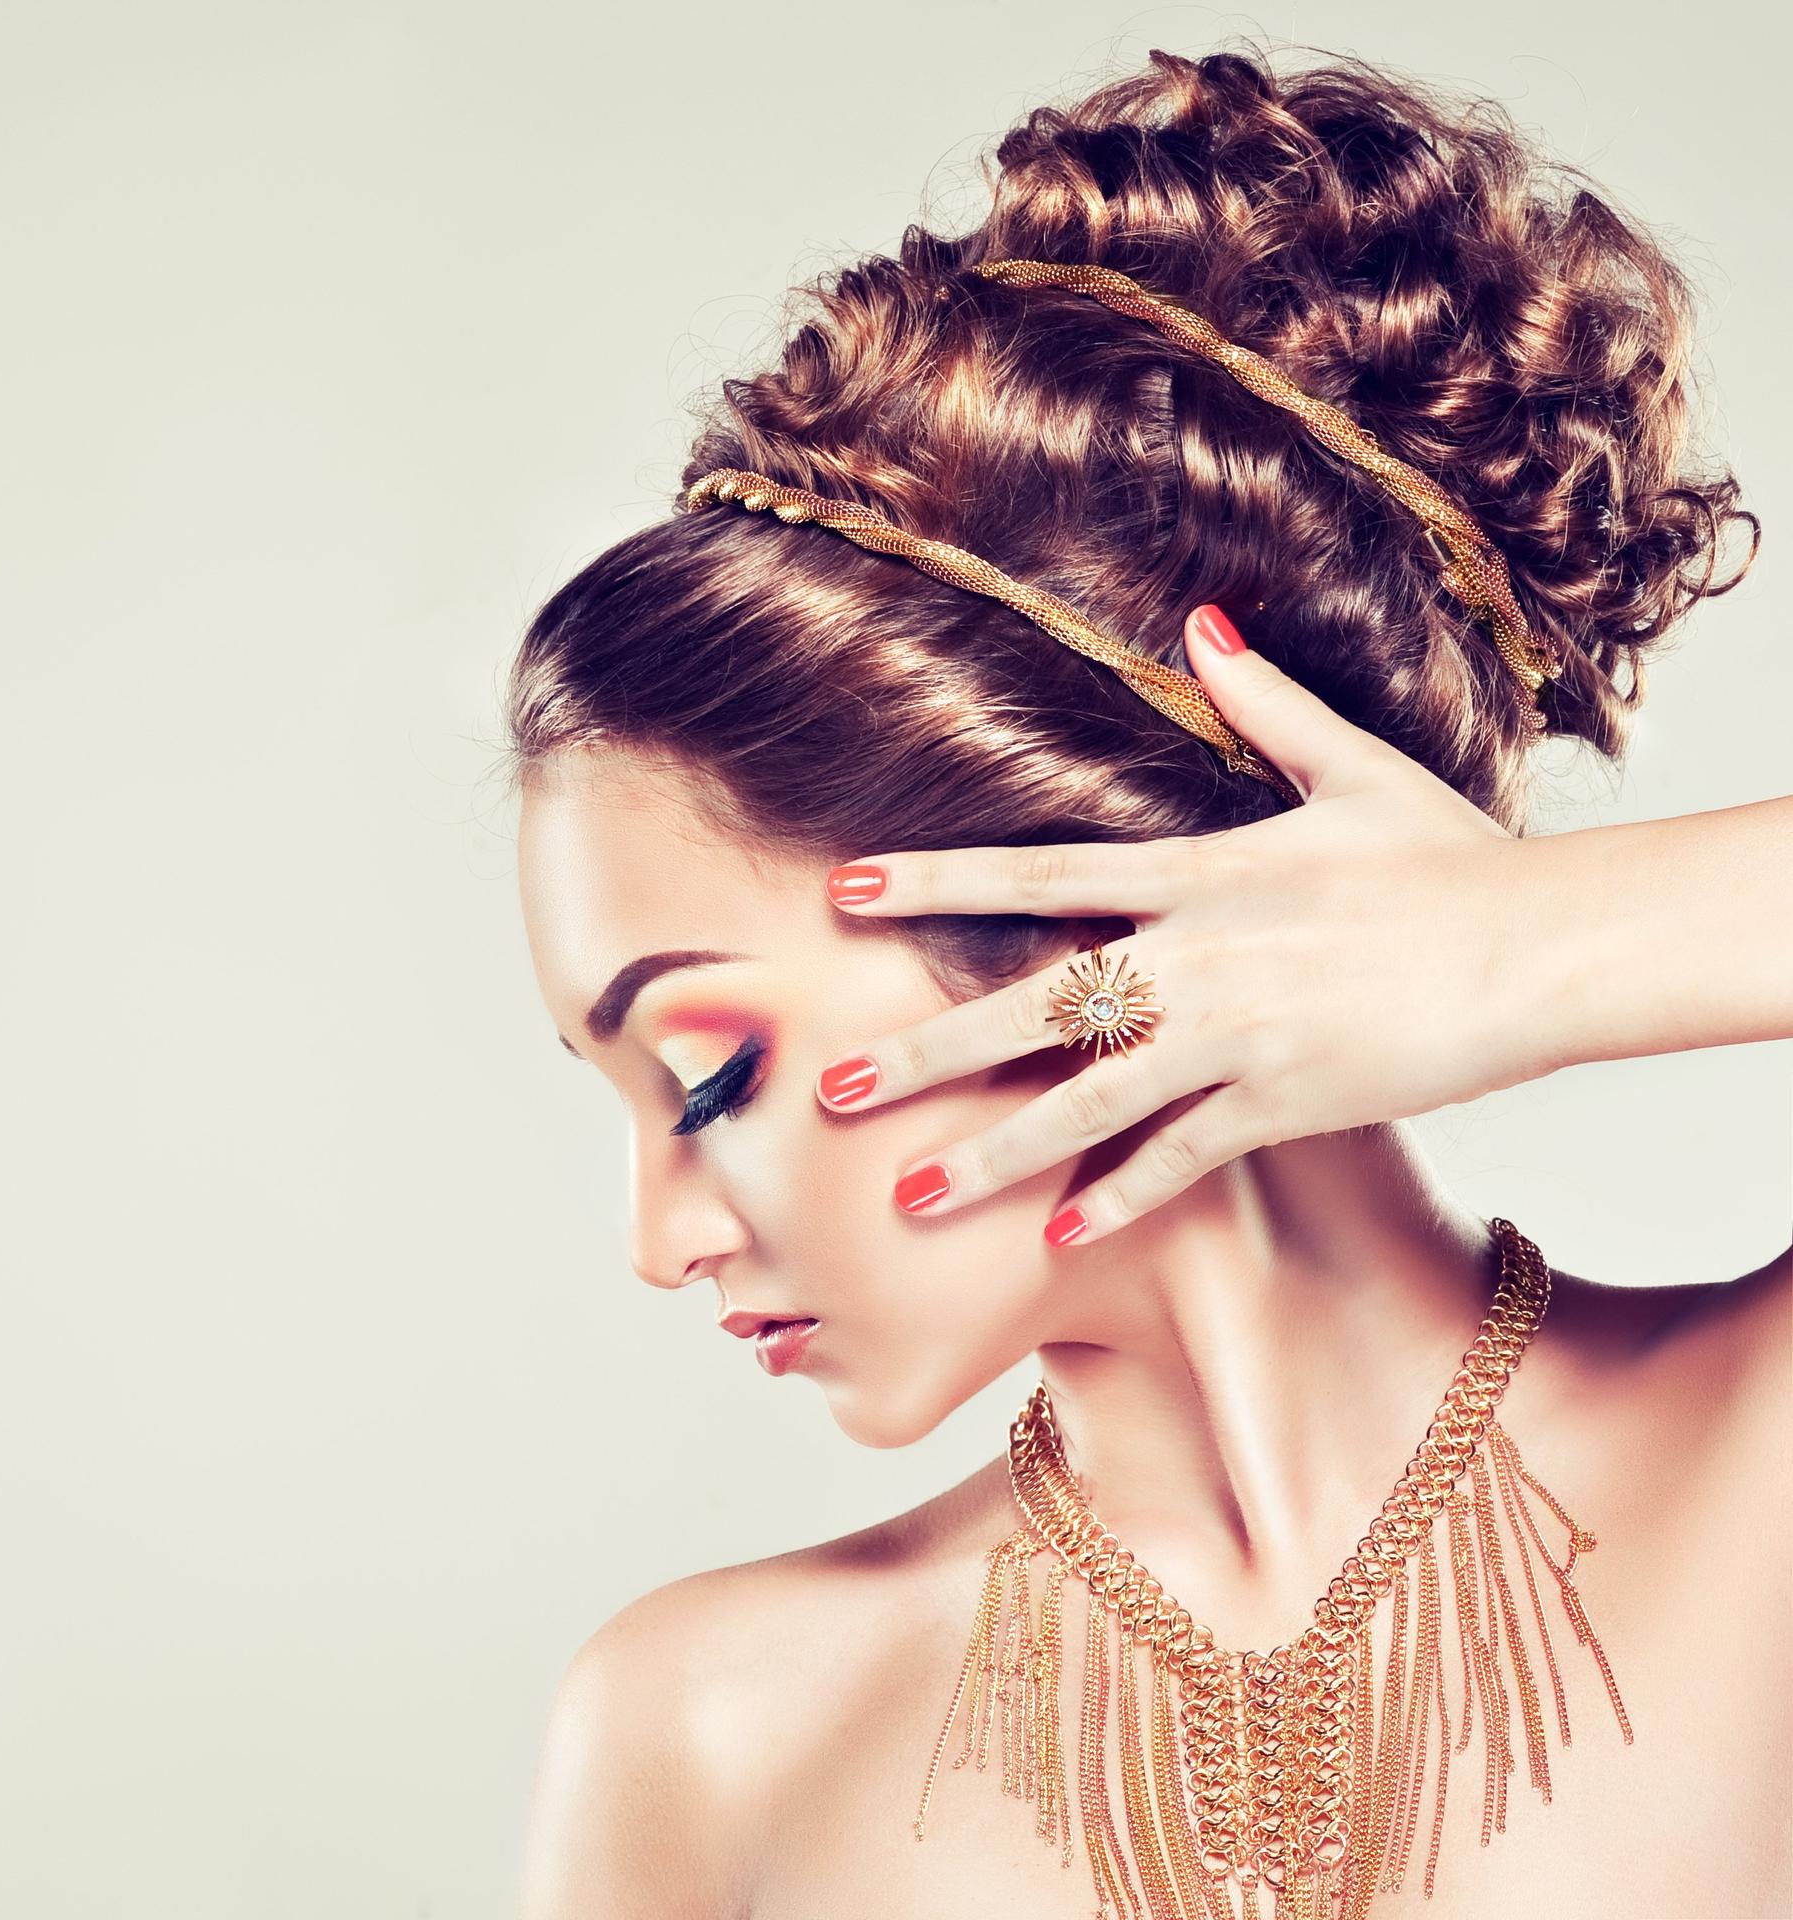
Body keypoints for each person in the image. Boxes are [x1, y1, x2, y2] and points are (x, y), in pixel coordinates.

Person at [509, 45, 1790, 1920]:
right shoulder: (712, 1737)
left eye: (711, 1078)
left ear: (1096, 928)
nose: (660, 1237)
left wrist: (1521, 942)